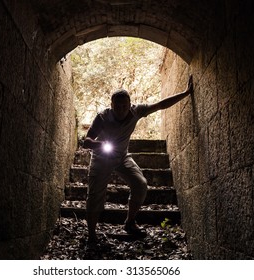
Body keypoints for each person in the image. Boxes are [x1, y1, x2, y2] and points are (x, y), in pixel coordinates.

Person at [83, 75, 193, 247]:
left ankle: (130, 222)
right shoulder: (102, 117)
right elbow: (86, 141)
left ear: (130, 105)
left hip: (121, 157)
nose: (120, 110)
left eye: (124, 106)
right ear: (111, 106)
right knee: (95, 195)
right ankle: (91, 235)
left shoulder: (137, 111)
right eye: (117, 106)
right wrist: (99, 144)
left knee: (140, 184)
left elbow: (160, 105)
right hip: (101, 158)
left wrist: (185, 93)